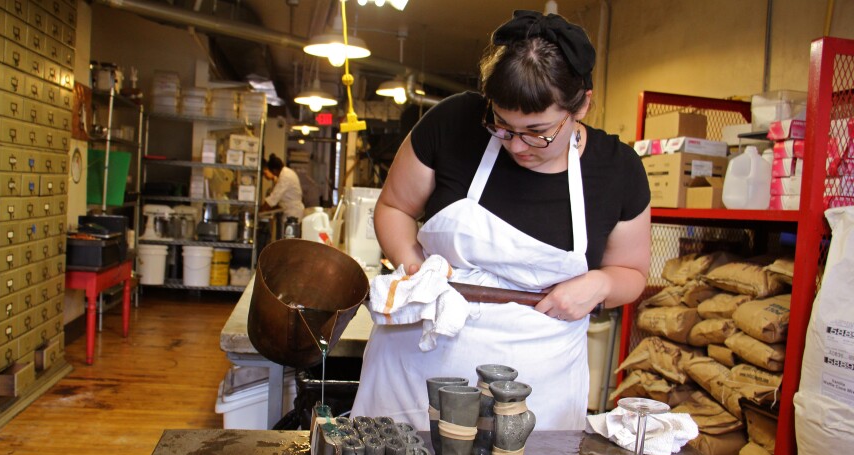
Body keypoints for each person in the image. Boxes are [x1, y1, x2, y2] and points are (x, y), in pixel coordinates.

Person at [351, 10, 652, 431]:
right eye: (502, 126)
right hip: (415, 366)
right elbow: (394, 208)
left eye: (537, 131)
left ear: (583, 103)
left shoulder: (617, 171)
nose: (517, 146)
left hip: (537, 385)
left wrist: (600, 285)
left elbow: (632, 272)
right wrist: (419, 269)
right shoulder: (454, 122)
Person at [260, 154, 304, 221]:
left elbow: (273, 199)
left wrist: (259, 212)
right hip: (290, 210)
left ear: (274, 170)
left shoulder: (285, 177)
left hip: (293, 212)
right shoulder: (286, 172)